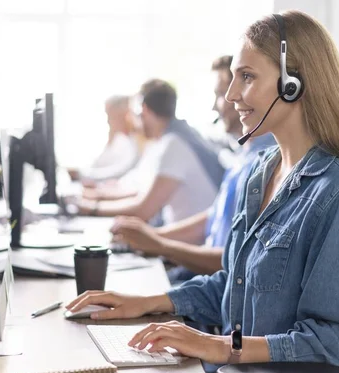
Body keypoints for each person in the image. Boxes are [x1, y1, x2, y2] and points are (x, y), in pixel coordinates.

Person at [65, 11, 339, 372]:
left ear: (294, 83)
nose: (230, 94)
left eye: (247, 77)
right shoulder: (261, 174)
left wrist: (219, 346)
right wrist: (145, 302)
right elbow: (233, 286)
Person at [110, 56, 275, 281]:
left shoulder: (266, 163)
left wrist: (159, 244)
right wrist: (153, 238)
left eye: (219, 94)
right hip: (202, 275)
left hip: (213, 286)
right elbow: (213, 218)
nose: (218, 104)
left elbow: (234, 261)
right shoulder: (244, 156)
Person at [75, 79, 225, 225]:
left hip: (189, 242)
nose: (133, 121)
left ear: (144, 110)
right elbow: (140, 192)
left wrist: (92, 207)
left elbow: (144, 209)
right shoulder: (173, 138)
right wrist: (98, 197)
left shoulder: (174, 145)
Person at [68, 95, 142, 183]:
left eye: (110, 115)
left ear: (124, 114)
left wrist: (81, 175)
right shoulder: (118, 139)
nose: (108, 121)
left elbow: (119, 172)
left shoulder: (133, 142)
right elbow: (98, 165)